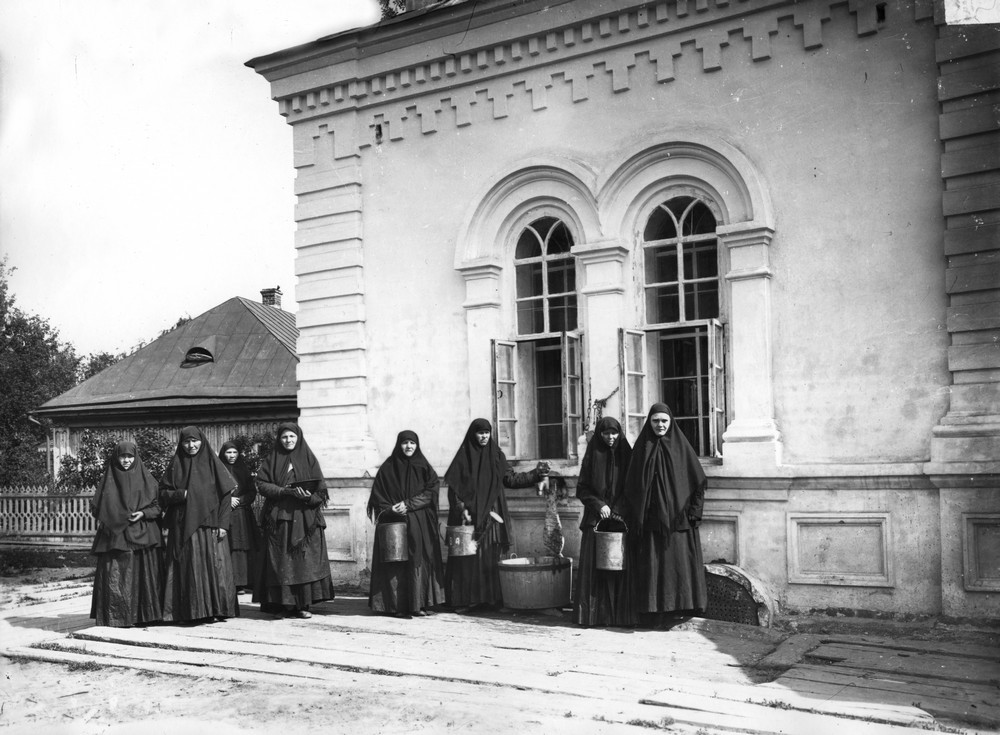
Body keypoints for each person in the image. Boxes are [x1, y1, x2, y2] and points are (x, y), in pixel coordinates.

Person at [614, 403, 707, 624]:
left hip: (678, 521)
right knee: (653, 566)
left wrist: (694, 513)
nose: (660, 425)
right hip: (649, 521)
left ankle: (678, 609)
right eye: (655, 421)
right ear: (649, 422)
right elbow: (630, 485)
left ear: (671, 422)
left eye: (664, 421)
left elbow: (698, 482)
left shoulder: (681, 448)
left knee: (676, 565)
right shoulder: (642, 447)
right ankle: (654, 611)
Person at [443, 418, 548, 611]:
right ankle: (466, 600)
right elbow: (454, 489)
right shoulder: (463, 457)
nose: (484, 436)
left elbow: (511, 479)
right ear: (473, 434)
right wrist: (462, 509)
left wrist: (535, 474)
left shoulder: (497, 455)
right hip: (470, 517)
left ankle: (492, 600)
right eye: (480, 433)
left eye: (486, 432)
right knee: (469, 558)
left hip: (492, 514)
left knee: (490, 555)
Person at [253, 422, 334, 618]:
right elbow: (261, 484)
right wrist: (284, 491)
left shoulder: (309, 459)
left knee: (303, 562)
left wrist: (307, 497)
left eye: (292, 437)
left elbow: (321, 491)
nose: (288, 440)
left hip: (306, 519)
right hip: (280, 518)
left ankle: (302, 605)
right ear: (279, 439)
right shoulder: (272, 459)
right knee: (281, 561)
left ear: (298, 438)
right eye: (284, 437)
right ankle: (283, 605)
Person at [159, 426, 238, 624]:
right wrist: (182, 494)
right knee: (186, 568)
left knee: (211, 568)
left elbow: (226, 496)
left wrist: (223, 525)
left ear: (202, 441)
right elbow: (162, 494)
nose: (191, 445)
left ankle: (214, 610)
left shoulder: (213, 463)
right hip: (182, 525)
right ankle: (186, 612)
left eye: (194, 441)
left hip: (209, 526)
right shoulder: (176, 464)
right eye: (186, 441)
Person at [367, 430, 445, 617]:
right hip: (394, 524)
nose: (409, 446)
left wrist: (409, 504)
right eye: (405, 443)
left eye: (412, 443)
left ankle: (418, 604)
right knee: (396, 565)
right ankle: (396, 607)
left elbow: (431, 491)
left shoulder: (424, 466)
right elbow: (377, 496)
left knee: (419, 562)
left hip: (419, 522)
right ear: (398, 445)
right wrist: (391, 509)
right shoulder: (388, 468)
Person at [89, 441, 163, 628]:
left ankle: (144, 616)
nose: (126, 460)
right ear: (116, 458)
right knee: (118, 574)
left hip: (142, 533)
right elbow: (96, 507)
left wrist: (143, 513)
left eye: (130, 456)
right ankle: (118, 616)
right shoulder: (108, 479)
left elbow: (158, 506)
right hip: (116, 536)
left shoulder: (147, 479)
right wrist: (113, 514)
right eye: (122, 456)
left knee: (142, 574)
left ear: (135, 457)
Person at [574, 416, 636, 627]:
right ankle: (593, 616)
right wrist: (599, 505)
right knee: (594, 567)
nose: (611, 437)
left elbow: (633, 487)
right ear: (600, 435)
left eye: (614, 433)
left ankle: (620, 617)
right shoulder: (592, 455)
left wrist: (617, 509)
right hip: (596, 519)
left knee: (619, 565)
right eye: (606, 433)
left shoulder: (627, 456)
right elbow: (582, 488)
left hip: (620, 519)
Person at [218, 440, 262, 593]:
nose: (232, 455)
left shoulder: (243, 470)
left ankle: (244, 581)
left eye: (234, 452)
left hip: (242, 514)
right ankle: (231, 582)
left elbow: (252, 492)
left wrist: (239, 500)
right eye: (228, 452)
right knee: (228, 545)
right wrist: (228, 500)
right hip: (224, 513)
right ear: (223, 454)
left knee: (243, 545)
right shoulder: (217, 470)